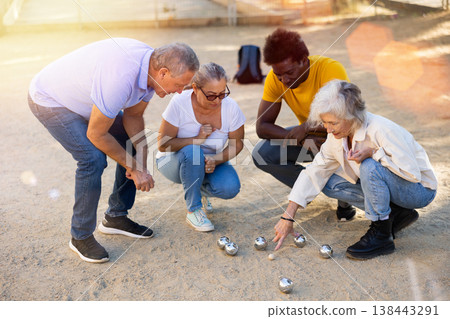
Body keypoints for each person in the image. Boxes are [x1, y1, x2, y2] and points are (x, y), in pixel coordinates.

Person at [28, 38, 199, 263]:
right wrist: (133, 168)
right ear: (163, 73)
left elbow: (133, 116)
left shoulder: (150, 73)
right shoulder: (122, 77)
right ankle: (80, 236)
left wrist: (141, 162)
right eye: (179, 85)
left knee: (130, 142)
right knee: (92, 159)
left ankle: (115, 217)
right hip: (51, 100)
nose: (179, 92)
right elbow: (96, 135)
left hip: (87, 99)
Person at [273, 80, 437, 259]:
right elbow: (315, 171)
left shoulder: (382, 129)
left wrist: (374, 153)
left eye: (332, 123)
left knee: (369, 167)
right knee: (327, 180)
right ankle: (396, 213)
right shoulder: (337, 136)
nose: (328, 129)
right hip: (392, 185)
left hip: (418, 190)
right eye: (324, 122)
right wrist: (288, 216)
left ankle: (382, 236)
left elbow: (411, 174)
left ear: (351, 117)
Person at [252, 28, 356, 221]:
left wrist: (306, 127)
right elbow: (262, 126)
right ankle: (308, 189)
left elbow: (342, 117)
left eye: (289, 72)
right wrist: (299, 138)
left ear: (303, 59)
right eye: (278, 74)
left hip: (343, 140)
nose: (284, 79)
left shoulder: (330, 69)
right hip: (312, 141)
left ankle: (345, 197)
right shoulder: (276, 79)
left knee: (340, 149)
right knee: (263, 154)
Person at [157, 62, 245, 232]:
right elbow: (163, 145)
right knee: (193, 151)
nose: (218, 100)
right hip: (172, 161)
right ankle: (193, 210)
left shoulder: (230, 107)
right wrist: (197, 139)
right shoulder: (179, 102)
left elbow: (237, 144)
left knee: (230, 188)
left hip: (206, 164)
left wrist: (215, 159)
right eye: (211, 95)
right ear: (196, 88)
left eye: (222, 94)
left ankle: (197, 190)